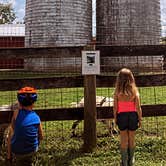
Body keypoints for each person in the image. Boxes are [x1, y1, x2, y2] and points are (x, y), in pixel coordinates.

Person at [113, 68, 142, 166]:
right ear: (131, 78)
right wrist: (140, 120)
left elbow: (115, 108)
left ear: (119, 79)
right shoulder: (135, 91)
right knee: (132, 138)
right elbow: (138, 108)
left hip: (122, 116)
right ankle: (131, 159)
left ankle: (124, 161)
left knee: (123, 139)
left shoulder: (117, 92)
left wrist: (115, 118)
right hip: (133, 116)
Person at [8, 86, 43, 166]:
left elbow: (12, 129)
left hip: (16, 152)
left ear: (19, 103)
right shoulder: (37, 117)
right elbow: (41, 137)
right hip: (31, 151)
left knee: (10, 133)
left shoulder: (16, 113)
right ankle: (32, 158)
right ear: (34, 103)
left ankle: (9, 157)